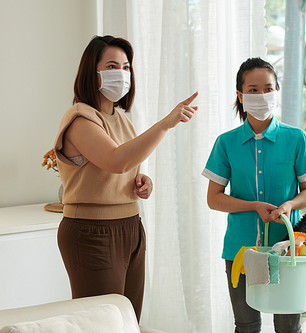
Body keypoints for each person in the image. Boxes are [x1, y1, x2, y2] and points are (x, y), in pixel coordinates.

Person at [54, 35, 198, 321]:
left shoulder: (120, 119)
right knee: (101, 324)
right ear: (91, 72)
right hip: (92, 231)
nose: (121, 73)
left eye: (126, 67)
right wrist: (166, 123)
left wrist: (140, 181)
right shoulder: (80, 118)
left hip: (130, 227)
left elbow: (125, 166)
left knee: (127, 322)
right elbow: (116, 161)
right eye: (112, 66)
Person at [202, 57, 306, 332]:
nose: (262, 95)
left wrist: (289, 204)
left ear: (277, 92)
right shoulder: (226, 143)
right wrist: (253, 205)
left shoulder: (296, 139)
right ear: (240, 95)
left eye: (268, 88)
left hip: (288, 250)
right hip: (241, 251)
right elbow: (214, 198)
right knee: (246, 327)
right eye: (253, 89)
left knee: (288, 327)